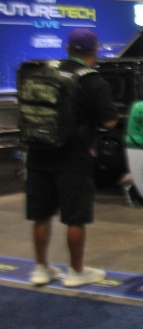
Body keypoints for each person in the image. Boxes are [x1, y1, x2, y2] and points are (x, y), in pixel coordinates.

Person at [25, 28, 118, 287]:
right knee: (75, 218)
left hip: (38, 152)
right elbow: (110, 121)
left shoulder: (45, 72)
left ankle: (41, 268)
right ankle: (76, 272)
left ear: (68, 48)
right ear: (94, 51)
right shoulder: (93, 81)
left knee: (41, 215)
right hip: (74, 157)